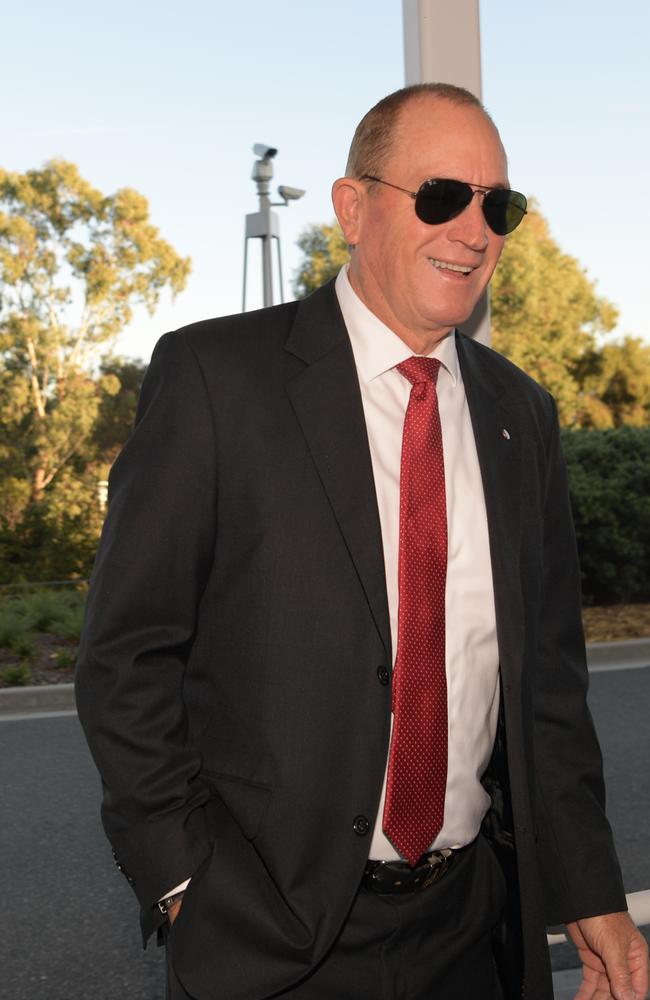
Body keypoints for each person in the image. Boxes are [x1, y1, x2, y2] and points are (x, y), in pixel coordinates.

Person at [75, 84, 648, 1000]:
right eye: (440, 196)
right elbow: (126, 656)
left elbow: (547, 688)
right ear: (352, 208)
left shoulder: (520, 417)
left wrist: (587, 886)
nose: (474, 230)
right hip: (266, 943)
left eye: (498, 206)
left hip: (470, 933)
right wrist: (184, 883)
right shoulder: (218, 380)